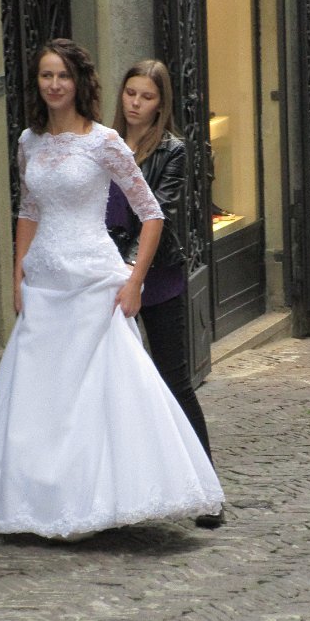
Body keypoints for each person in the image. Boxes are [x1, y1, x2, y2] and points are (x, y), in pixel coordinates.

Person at [0, 39, 224, 541]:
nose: (54, 85)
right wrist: (17, 276)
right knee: (43, 396)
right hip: (44, 282)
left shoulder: (104, 141)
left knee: (104, 393)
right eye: (45, 76)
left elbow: (152, 212)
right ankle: (39, 502)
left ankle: (101, 499)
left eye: (63, 76)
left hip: (94, 280)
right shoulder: (27, 141)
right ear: (37, 84)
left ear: (80, 83)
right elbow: (28, 210)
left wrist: (133, 281)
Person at [106, 60, 224, 529]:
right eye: (130, 93)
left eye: (146, 97)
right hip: (103, 275)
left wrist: (130, 269)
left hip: (154, 276)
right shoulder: (104, 141)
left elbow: (161, 211)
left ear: (162, 103)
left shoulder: (172, 149)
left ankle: (209, 493)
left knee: (174, 382)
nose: (135, 103)